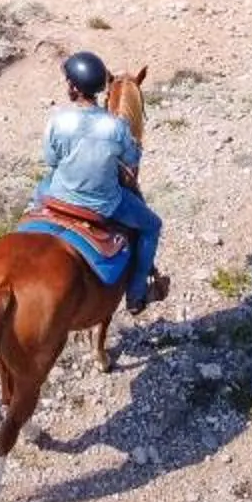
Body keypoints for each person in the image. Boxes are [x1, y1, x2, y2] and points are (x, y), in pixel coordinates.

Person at [40, 50, 166, 312]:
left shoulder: (57, 120)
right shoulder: (116, 127)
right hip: (104, 203)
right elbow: (132, 157)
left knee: (36, 198)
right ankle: (136, 292)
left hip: (60, 195)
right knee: (152, 226)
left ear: (73, 87)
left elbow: (51, 161)